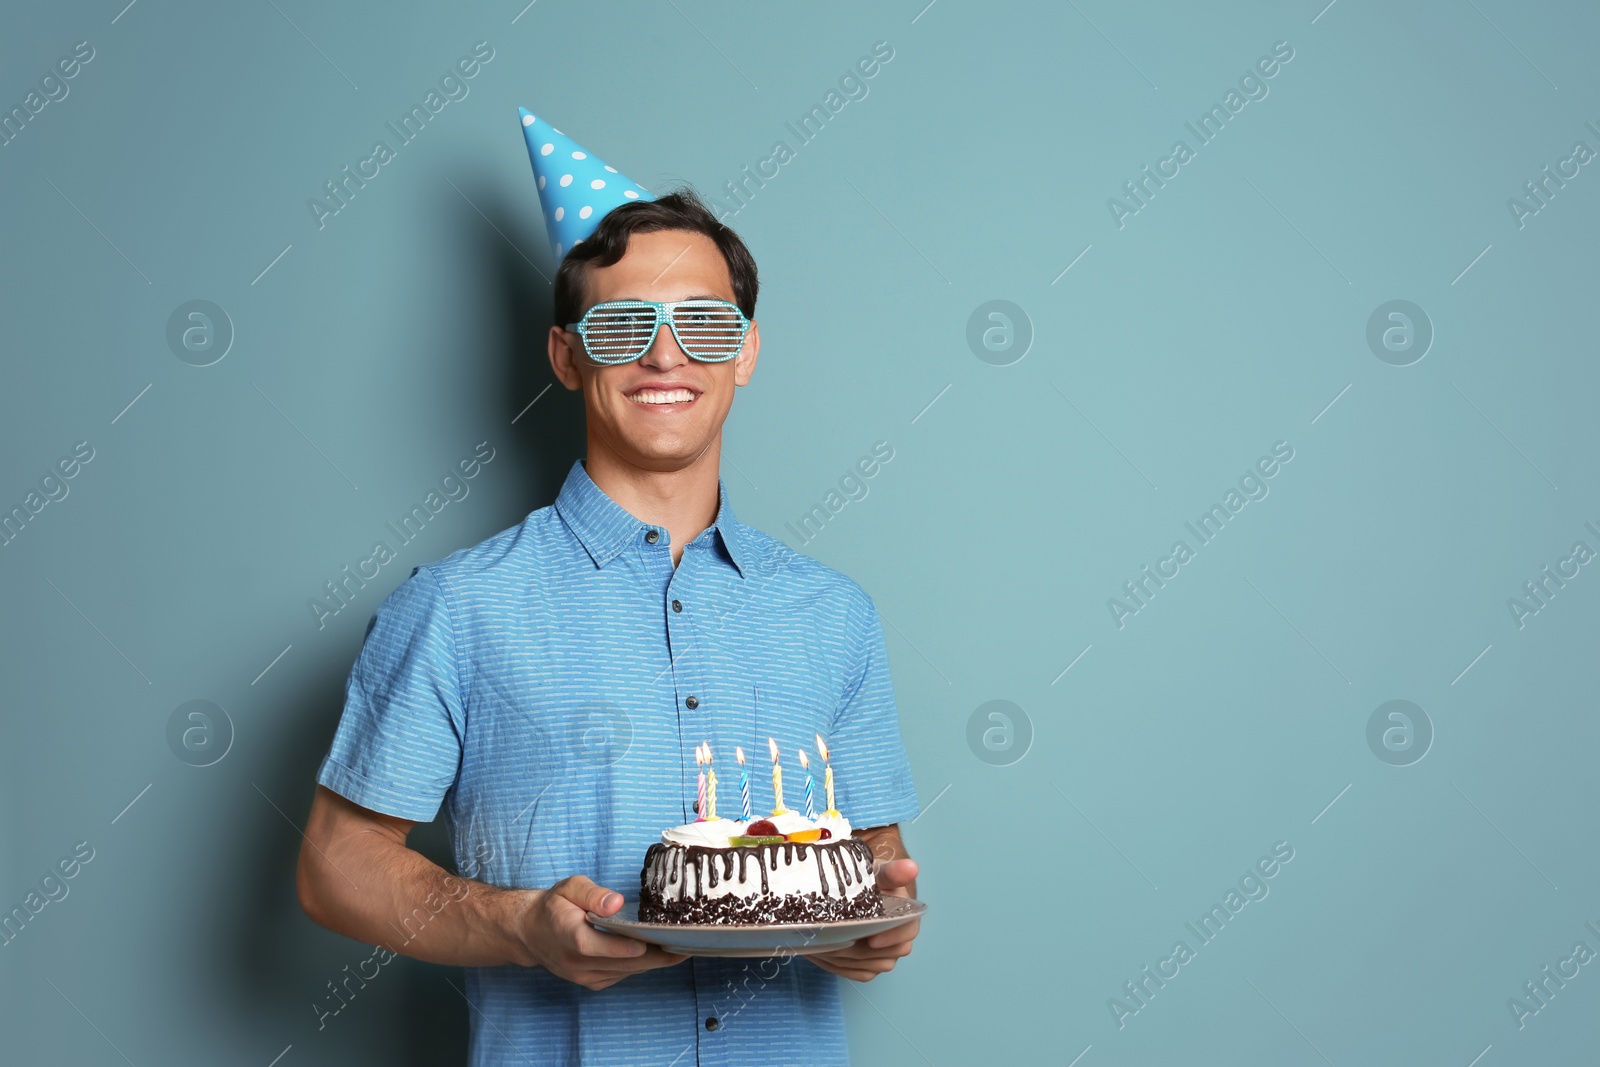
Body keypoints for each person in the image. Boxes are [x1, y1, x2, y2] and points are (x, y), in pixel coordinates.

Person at [296, 111, 922, 1066]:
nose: (665, 356)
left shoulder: (835, 614)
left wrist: (875, 924)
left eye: (703, 324)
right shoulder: (456, 608)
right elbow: (335, 867)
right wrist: (519, 924)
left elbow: (872, 855)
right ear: (565, 355)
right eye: (626, 323)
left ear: (745, 352)